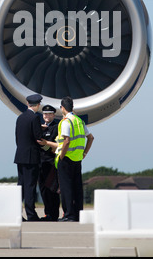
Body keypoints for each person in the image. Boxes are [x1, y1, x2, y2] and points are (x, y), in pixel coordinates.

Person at [38, 96, 94, 222]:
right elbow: (90, 138)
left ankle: (69, 215)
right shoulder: (79, 121)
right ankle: (78, 213)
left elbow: (66, 141)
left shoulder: (65, 122)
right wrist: (84, 153)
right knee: (77, 187)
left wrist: (61, 156)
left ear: (62, 108)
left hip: (66, 159)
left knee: (66, 188)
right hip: (77, 159)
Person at [14, 93, 43, 221]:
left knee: (21, 185)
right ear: (38, 105)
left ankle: (16, 213)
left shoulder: (20, 118)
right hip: (31, 157)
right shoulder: (35, 118)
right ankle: (31, 214)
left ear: (27, 104)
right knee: (30, 186)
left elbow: (18, 137)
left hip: (20, 155)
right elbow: (38, 137)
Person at [38, 105, 60, 222]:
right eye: (45, 114)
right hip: (41, 163)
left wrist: (45, 146)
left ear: (53, 115)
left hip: (50, 162)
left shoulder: (56, 128)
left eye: (49, 114)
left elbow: (55, 146)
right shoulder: (40, 128)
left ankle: (54, 214)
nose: (46, 116)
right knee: (43, 190)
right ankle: (47, 213)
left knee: (52, 190)